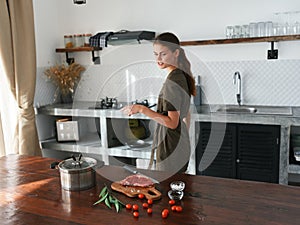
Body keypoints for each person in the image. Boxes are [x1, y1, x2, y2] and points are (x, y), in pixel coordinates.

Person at [121, 32, 196, 173]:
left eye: (163, 54)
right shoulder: (181, 75)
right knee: (178, 188)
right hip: (179, 143)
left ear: (176, 53)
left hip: (170, 146)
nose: (158, 59)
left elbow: (172, 123)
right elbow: (187, 115)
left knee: (168, 188)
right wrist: (182, 136)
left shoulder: (173, 82)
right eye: (155, 54)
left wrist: (142, 109)